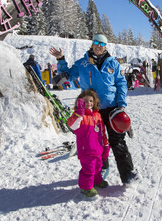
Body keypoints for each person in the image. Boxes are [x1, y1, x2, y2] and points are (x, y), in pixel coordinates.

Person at [50, 34, 137, 185]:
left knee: (117, 141)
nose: (98, 45)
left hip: (112, 109)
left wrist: (121, 105)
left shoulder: (113, 64)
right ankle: (101, 170)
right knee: (96, 144)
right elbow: (69, 75)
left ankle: (128, 174)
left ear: (105, 46)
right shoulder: (83, 63)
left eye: (102, 43)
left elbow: (121, 84)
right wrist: (61, 60)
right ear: (92, 44)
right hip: (92, 110)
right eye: (96, 42)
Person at [67, 90, 110, 197]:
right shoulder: (79, 116)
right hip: (86, 149)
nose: (89, 103)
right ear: (80, 102)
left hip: (98, 149)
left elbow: (102, 131)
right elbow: (72, 125)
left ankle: (97, 181)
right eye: (85, 101)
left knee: (98, 167)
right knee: (88, 169)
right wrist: (79, 113)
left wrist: (105, 145)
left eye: (91, 100)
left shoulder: (97, 115)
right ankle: (86, 188)